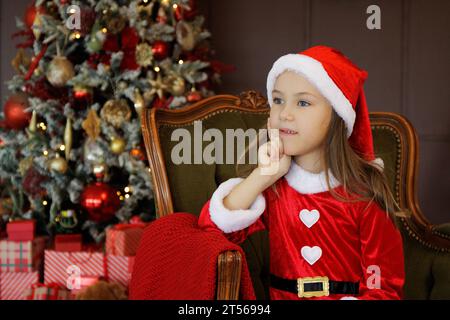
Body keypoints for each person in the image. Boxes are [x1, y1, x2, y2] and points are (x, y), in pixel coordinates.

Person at [197, 45, 405, 300]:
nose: (285, 113)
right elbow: (213, 229)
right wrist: (263, 176)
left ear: (337, 115)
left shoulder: (364, 195)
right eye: (278, 100)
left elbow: (383, 287)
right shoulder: (275, 188)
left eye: (303, 102)